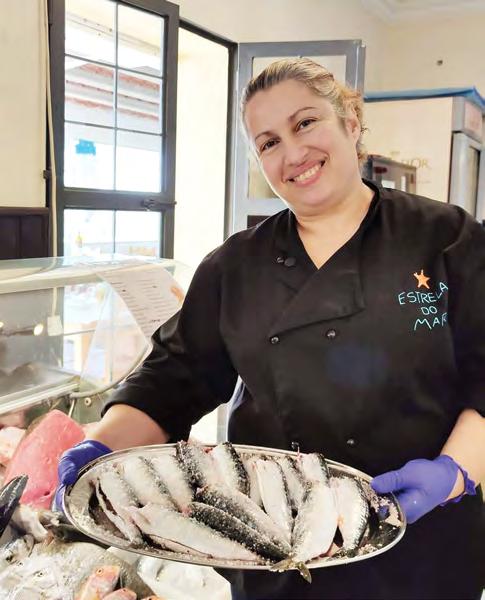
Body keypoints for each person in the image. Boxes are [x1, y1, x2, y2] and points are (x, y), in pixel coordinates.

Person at [57, 58, 485, 600]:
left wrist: (455, 472)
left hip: (423, 544)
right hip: (272, 545)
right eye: (269, 142)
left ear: (351, 122)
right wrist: (100, 446)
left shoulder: (446, 239)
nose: (293, 153)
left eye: (305, 123)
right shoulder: (234, 266)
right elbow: (173, 378)